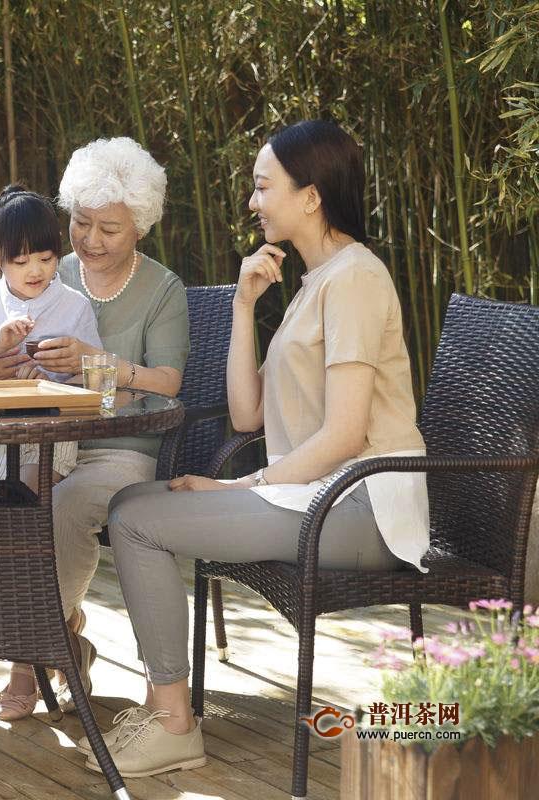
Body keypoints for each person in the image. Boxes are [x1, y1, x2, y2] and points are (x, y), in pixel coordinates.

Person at [96, 120, 426, 779]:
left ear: (311, 195)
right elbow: (248, 413)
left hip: (364, 505)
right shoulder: (313, 284)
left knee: (135, 520)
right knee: (131, 502)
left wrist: (237, 489)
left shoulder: (355, 280)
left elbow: (345, 435)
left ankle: (173, 724)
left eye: (262, 186)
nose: (253, 201)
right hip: (320, 496)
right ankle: (162, 705)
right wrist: (245, 304)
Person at [0, 138, 190, 716]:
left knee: (58, 506)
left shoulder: (163, 290)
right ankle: (48, 634)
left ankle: (26, 654)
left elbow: (168, 381)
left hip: (117, 446)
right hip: (28, 434)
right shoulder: (42, 268)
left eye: (108, 229)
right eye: (81, 224)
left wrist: (101, 364)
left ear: (140, 225)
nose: (90, 241)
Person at [0, 184, 102, 721]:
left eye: (47, 257)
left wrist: (55, 369)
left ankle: (25, 661)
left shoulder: (73, 304)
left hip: (47, 438)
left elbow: (91, 381)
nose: (35, 270)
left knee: (25, 518)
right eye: (21, 259)